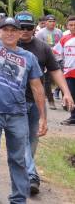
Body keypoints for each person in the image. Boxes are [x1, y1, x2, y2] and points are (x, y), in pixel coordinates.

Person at [0, 16, 47, 203]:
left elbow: (37, 88)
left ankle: (18, 199)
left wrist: (43, 117)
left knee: (19, 160)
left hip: (18, 114)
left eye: (13, 30)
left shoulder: (29, 58)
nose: (9, 33)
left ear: (19, 33)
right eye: (5, 29)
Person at [15, 11, 75, 194]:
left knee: (32, 142)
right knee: (23, 140)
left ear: (34, 28)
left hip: (36, 101)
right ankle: (32, 177)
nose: (24, 31)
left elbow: (55, 69)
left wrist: (66, 92)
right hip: (14, 103)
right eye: (21, 27)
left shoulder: (42, 47)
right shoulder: (8, 44)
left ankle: (24, 170)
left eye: (28, 28)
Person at [35, 14, 61, 109]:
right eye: (49, 21)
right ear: (45, 22)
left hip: (59, 59)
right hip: (46, 60)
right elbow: (38, 47)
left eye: (53, 21)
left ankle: (64, 101)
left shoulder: (59, 32)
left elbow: (61, 45)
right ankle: (51, 101)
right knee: (47, 81)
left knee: (62, 79)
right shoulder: (40, 33)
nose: (52, 23)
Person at [53, 15, 75, 125]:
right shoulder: (64, 39)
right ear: (67, 26)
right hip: (69, 73)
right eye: (71, 25)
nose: (73, 27)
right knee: (71, 95)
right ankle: (73, 117)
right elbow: (55, 52)